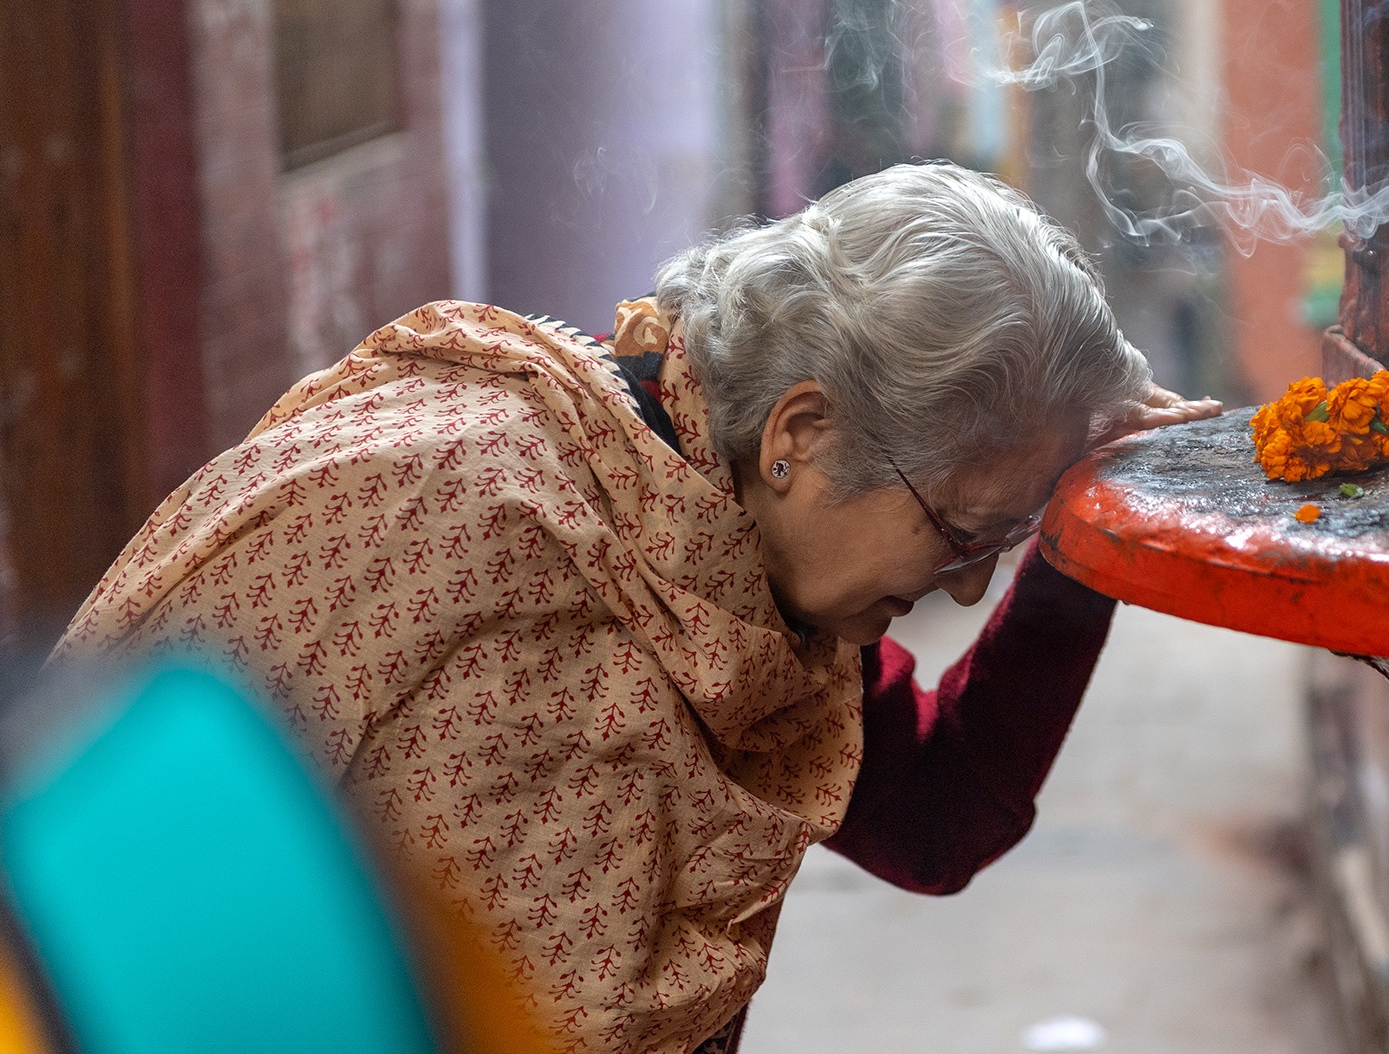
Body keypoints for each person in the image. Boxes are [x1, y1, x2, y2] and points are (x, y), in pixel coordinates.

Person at [51, 162, 1221, 1053]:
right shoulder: (502, 539)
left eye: (1001, 541)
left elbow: (935, 811)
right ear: (804, 433)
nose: (967, 585)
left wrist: (1080, 541)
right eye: (962, 532)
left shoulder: (720, 552)